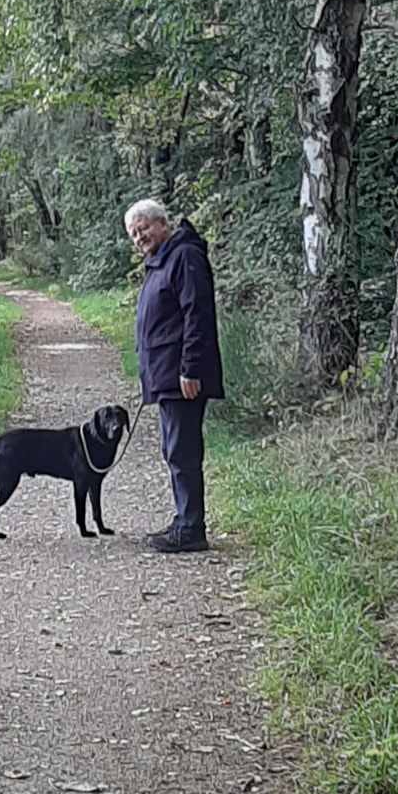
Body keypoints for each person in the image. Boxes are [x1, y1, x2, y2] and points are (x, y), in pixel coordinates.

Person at [124, 198, 224, 553]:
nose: (140, 237)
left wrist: (190, 368)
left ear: (162, 224)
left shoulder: (184, 256)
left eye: (144, 228)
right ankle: (185, 520)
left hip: (182, 376)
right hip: (166, 376)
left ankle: (190, 529)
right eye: (135, 234)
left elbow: (196, 314)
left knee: (182, 452)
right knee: (174, 450)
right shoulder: (162, 261)